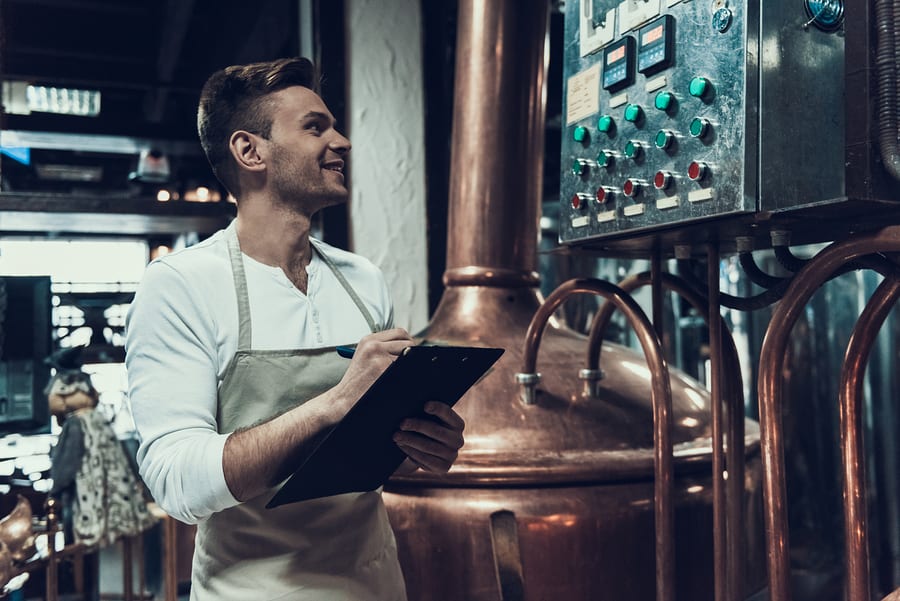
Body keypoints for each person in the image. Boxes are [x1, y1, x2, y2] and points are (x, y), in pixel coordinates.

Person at [125, 57, 465, 601]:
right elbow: (178, 483)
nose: (343, 141)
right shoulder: (179, 285)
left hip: (373, 583)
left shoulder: (363, 279)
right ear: (249, 151)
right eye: (315, 127)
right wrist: (335, 402)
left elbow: (368, 456)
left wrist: (423, 445)